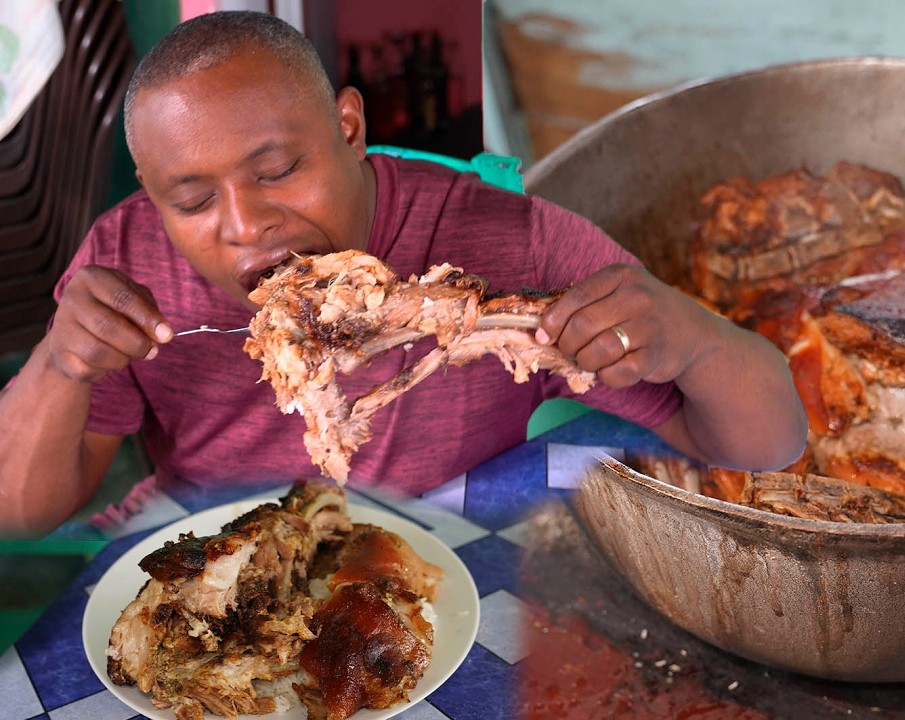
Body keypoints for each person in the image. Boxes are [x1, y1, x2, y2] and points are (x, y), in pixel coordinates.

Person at [0, 11, 807, 537]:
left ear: (349, 128)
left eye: (278, 169)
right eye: (193, 198)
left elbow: (766, 447)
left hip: (447, 550)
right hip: (215, 543)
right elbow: (21, 511)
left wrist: (693, 339)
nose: (244, 225)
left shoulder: (511, 243)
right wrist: (61, 363)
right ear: (153, 199)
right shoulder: (124, 263)